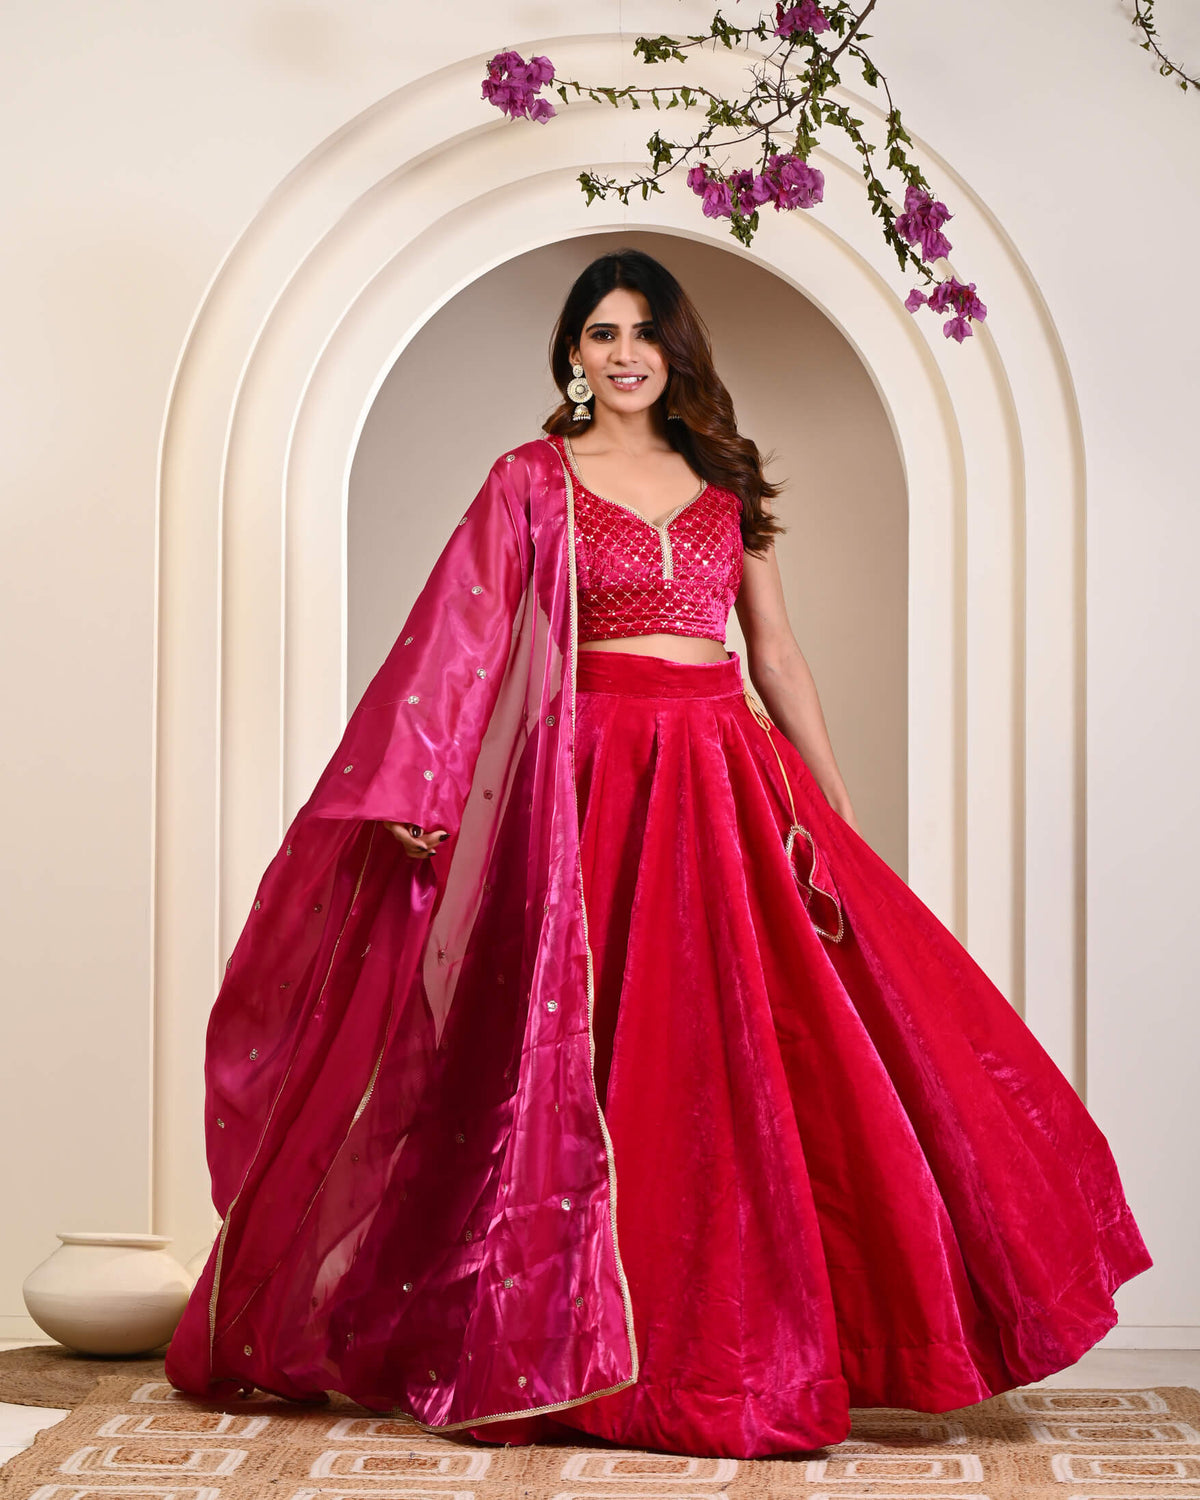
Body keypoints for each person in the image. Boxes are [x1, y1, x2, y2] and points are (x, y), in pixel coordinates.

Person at [164, 248, 1152, 1461]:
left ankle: (752, 1339)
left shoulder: (723, 480)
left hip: (727, 771)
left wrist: (828, 808)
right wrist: (420, 787)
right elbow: (458, 640)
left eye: (644, 332)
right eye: (600, 333)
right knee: (581, 1058)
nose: (624, 352)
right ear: (573, 355)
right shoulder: (532, 479)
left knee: (756, 1051)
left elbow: (776, 652)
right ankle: (563, 1344)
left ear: (677, 350)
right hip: (590, 787)